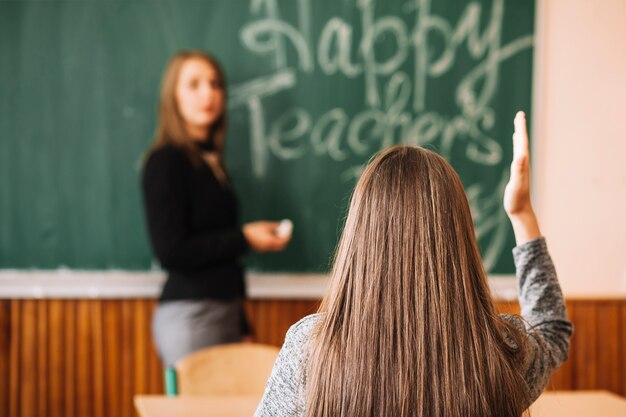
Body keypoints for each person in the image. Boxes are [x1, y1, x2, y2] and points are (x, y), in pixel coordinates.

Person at [254, 112, 573, 417]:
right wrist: (521, 213)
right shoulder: (500, 350)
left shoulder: (311, 349)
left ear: (359, 237)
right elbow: (551, 329)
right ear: (458, 236)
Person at [141, 50, 290, 367]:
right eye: (193, 85)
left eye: (215, 83)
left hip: (225, 312)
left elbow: (221, 259)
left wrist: (241, 324)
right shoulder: (166, 161)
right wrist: (245, 238)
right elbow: (171, 249)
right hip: (191, 315)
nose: (207, 93)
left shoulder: (212, 163)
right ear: (173, 98)